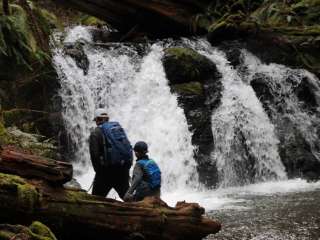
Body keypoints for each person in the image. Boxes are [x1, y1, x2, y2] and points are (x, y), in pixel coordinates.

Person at [89, 108, 132, 199]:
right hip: (122, 169)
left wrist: (99, 172)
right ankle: (140, 211)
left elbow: (95, 156)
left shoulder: (95, 133)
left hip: (105, 172)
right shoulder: (117, 129)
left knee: (96, 201)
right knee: (128, 199)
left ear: (97, 119)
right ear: (107, 118)